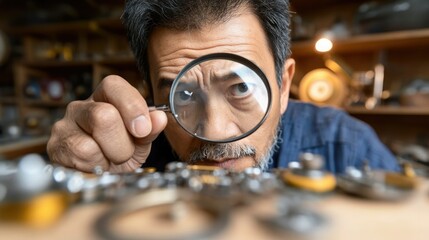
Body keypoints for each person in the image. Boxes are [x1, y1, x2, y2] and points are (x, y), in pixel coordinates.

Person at [47, 0, 399, 174]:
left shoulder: (349, 149)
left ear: (284, 84)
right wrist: (87, 184)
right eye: (182, 94)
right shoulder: (131, 159)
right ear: (151, 96)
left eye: (241, 88)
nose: (214, 132)